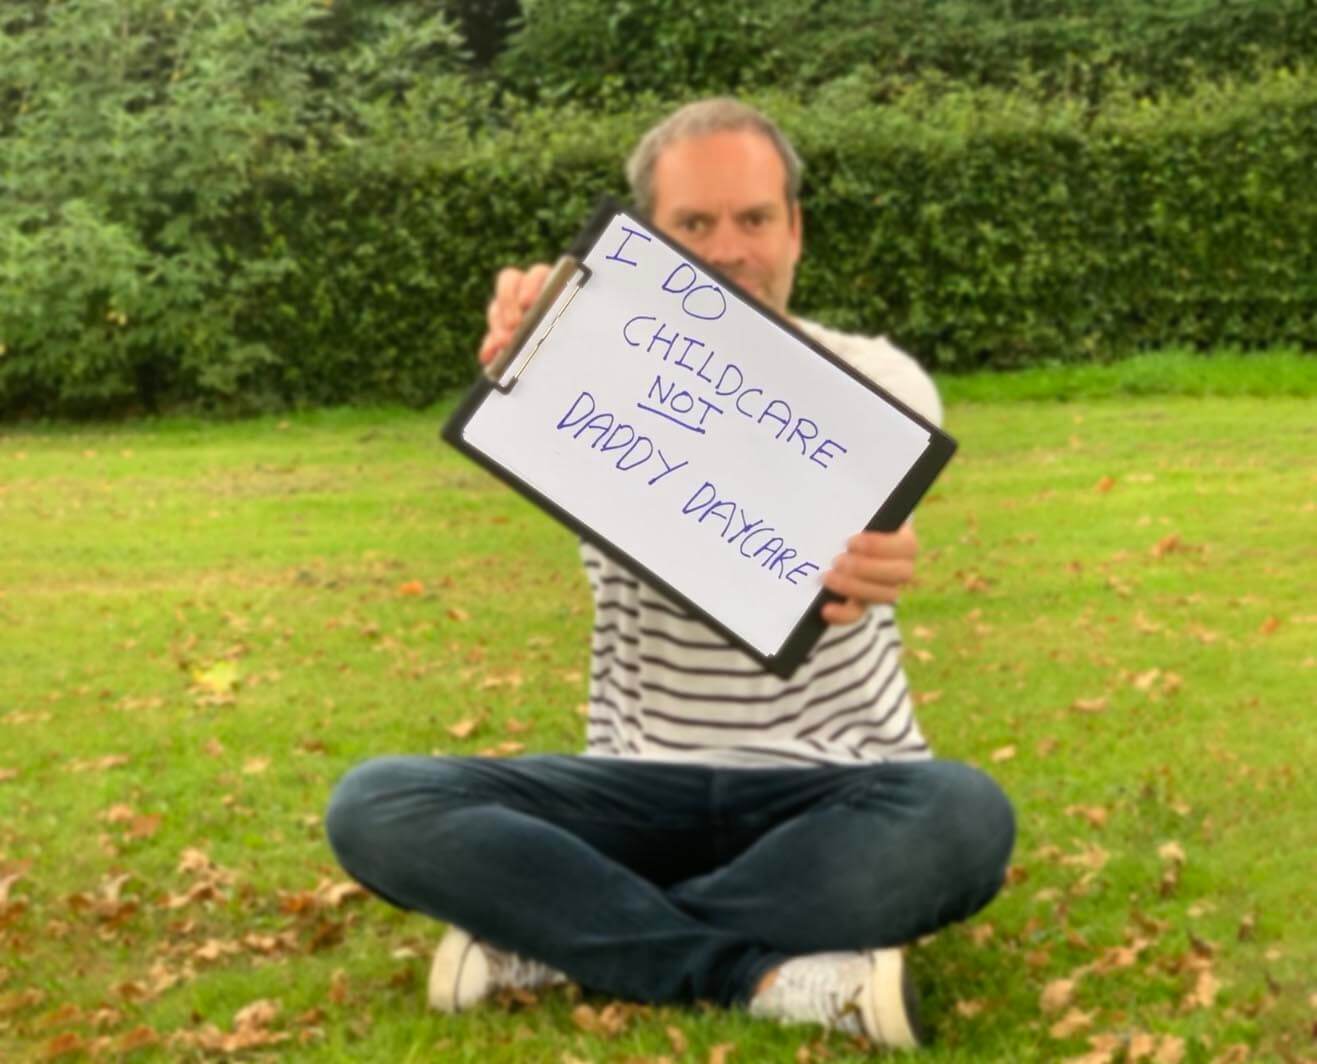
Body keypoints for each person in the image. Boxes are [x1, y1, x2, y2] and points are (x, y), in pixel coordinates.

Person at [327, 98, 1014, 1051]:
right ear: (646, 241)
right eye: (694, 224)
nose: (729, 248)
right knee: (378, 803)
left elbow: (865, 551)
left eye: (753, 219)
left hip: (835, 792)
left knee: (965, 816)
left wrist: (882, 560)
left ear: (794, 230)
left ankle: (565, 936)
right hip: (633, 786)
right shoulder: (589, 370)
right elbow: (546, 397)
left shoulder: (879, 385)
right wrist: (527, 341)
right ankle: (756, 972)